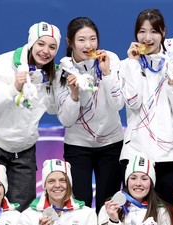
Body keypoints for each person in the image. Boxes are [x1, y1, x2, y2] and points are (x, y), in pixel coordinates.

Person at [0, 21, 61, 212]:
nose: (46, 51)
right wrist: (13, 88)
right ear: (31, 43)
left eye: (52, 47)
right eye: (41, 44)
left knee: (22, 212)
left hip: (24, 150)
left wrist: (71, 90)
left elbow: (53, 108)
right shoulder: (1, 64)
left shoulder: (52, 73)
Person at [55, 17, 124, 211]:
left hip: (111, 143)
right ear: (70, 43)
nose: (88, 45)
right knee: (79, 205)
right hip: (78, 146)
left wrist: (107, 73)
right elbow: (66, 120)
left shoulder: (110, 59)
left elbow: (118, 104)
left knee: (108, 205)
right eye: (81, 40)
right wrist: (74, 95)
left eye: (93, 39)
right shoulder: (62, 70)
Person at [119, 8, 173, 204]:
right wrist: (133, 65)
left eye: (154, 31)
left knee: (165, 214)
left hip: (168, 155)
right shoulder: (126, 66)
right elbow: (133, 102)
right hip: (135, 153)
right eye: (142, 31)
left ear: (163, 33)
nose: (147, 37)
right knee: (133, 215)